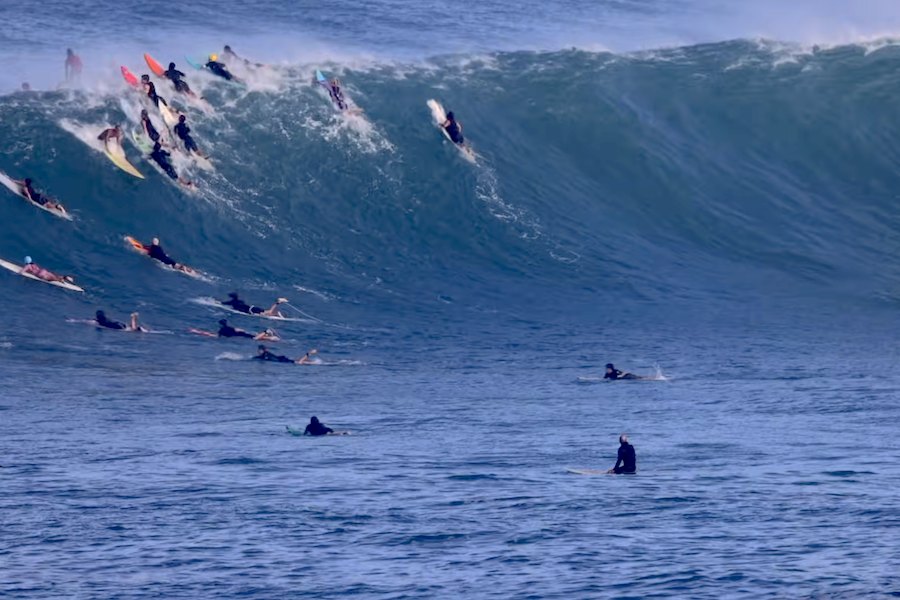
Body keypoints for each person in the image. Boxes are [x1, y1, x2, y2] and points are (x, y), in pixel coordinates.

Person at [220, 292, 287, 317]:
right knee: (267, 312)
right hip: (253, 308)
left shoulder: (231, 302)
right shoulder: (240, 301)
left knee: (267, 313)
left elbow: (223, 303)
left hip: (251, 311)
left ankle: (278, 302)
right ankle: (277, 313)